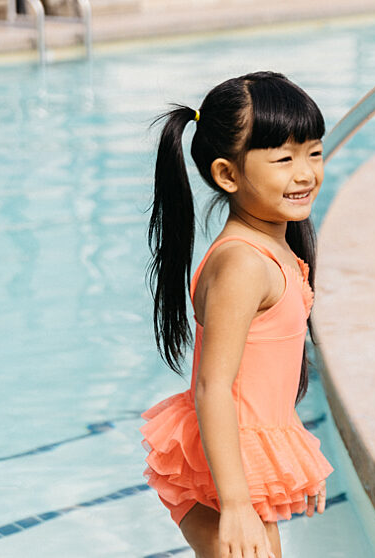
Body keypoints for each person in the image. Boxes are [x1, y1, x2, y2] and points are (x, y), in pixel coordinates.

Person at [140, 71, 334, 558]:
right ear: (227, 174)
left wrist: (296, 456)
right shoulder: (244, 264)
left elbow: (263, 378)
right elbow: (213, 386)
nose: (306, 172)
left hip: (240, 460)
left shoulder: (274, 247)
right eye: (284, 158)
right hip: (224, 469)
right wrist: (237, 504)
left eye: (313, 152)